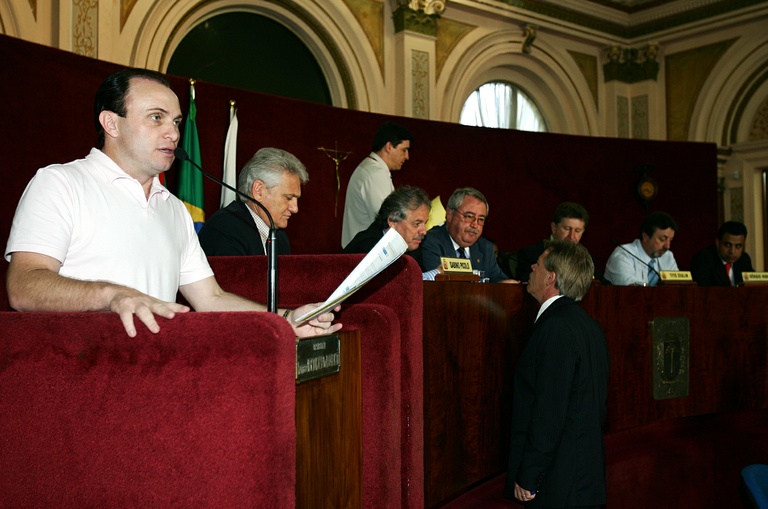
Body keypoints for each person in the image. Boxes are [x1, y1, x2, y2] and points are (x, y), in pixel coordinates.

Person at [4, 68, 340, 339]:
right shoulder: (60, 183)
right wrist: (112, 295)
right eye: (156, 118)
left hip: (160, 378)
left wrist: (284, 318)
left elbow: (210, 298)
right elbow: (23, 285)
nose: (174, 133)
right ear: (111, 123)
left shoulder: (174, 208)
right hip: (78, 378)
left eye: (177, 122)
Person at [505, 240, 609, 508]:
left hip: (559, 485)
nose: (532, 267)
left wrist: (530, 475)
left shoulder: (556, 328)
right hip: (581, 478)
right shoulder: (589, 326)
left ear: (550, 277)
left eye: (538, 264)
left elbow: (549, 412)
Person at [198, 147, 307, 256]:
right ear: (259, 191)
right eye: (288, 198)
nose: (295, 209)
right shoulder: (224, 229)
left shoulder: (280, 238)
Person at [419, 187, 515, 283]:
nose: (475, 225)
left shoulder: (485, 248)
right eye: (469, 216)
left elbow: (500, 281)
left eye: (481, 219)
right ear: (450, 215)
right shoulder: (430, 241)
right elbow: (440, 284)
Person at [341, 122, 412, 248]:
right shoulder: (375, 174)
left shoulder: (372, 169)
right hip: (364, 252)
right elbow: (390, 220)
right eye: (404, 150)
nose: (407, 157)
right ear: (389, 146)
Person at [516, 201, 608, 284]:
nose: (572, 236)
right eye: (567, 229)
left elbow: (603, 285)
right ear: (554, 228)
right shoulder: (530, 255)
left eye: (577, 230)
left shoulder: (587, 259)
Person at [343, 185, 430, 265]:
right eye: (417, 224)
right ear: (392, 221)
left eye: (425, 223)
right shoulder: (366, 249)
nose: (424, 231)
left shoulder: (413, 246)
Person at [604, 211, 679, 286]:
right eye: (662, 239)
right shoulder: (623, 254)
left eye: (670, 240)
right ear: (645, 236)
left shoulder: (668, 256)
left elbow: (677, 286)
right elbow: (632, 290)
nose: (667, 246)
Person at [690, 221, 754, 286]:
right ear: (718, 243)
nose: (732, 251)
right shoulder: (703, 259)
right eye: (728, 245)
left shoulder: (744, 260)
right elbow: (705, 291)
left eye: (738, 246)